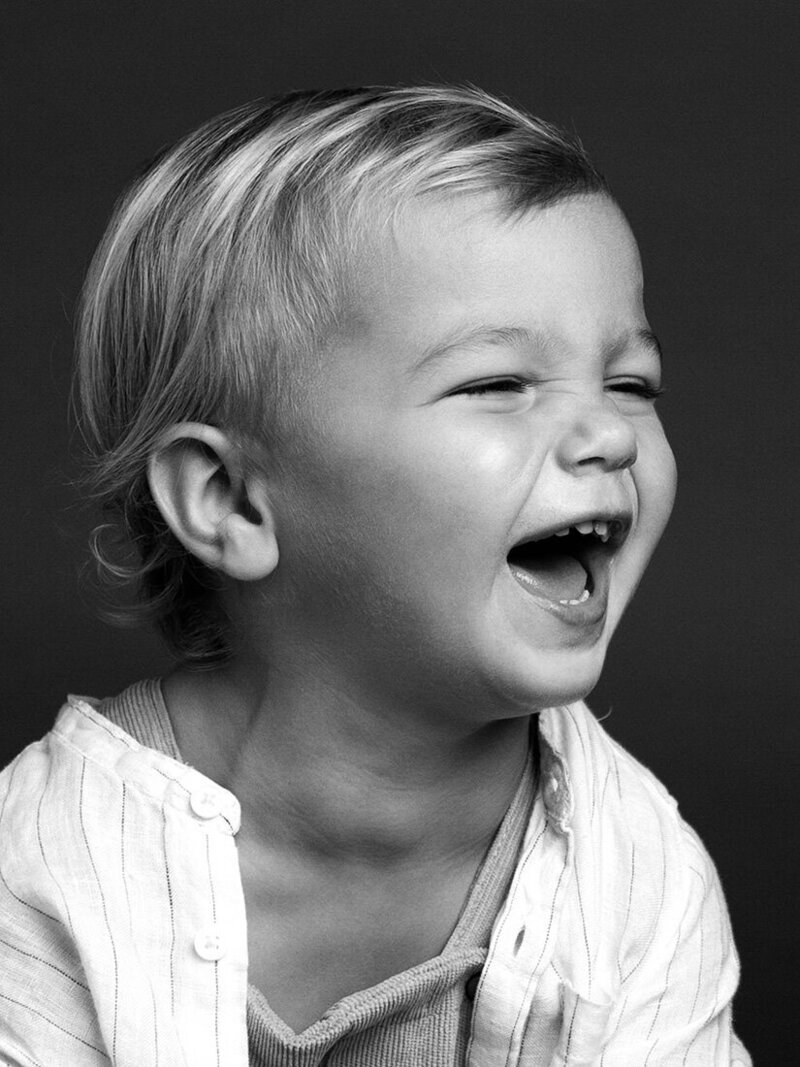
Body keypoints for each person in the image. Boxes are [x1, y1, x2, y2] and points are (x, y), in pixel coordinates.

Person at [0, 85, 750, 1066]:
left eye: (630, 383)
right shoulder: (42, 867)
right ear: (232, 501)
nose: (609, 432)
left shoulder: (640, 883)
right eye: (497, 384)